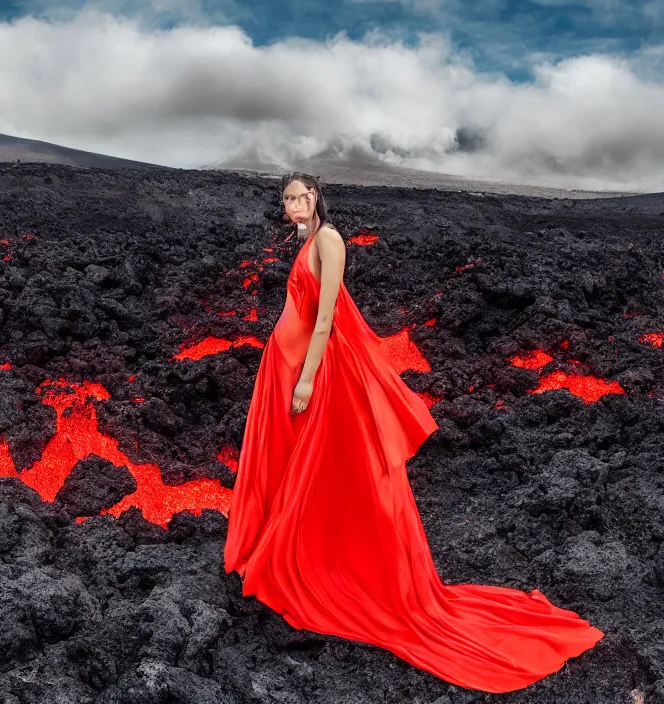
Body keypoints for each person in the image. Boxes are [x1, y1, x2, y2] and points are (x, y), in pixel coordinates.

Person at [223, 173, 603, 693]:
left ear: (315, 197)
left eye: (298, 197)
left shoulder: (329, 239)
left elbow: (327, 316)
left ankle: (333, 564)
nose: (290, 205)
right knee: (304, 469)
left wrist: (308, 377)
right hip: (285, 367)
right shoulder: (305, 239)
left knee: (332, 467)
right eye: (285, 198)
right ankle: (301, 548)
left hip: (315, 373)